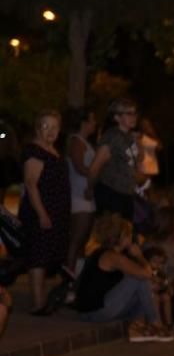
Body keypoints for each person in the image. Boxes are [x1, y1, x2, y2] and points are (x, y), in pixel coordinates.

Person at [74, 214, 172, 343]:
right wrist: (140, 256)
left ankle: (138, 329)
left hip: (95, 310)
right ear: (120, 237)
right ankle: (155, 324)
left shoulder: (108, 254)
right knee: (138, 278)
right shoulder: (112, 256)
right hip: (94, 312)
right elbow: (145, 274)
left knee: (144, 286)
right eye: (129, 234)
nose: (131, 237)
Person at [19, 110, 71, 315]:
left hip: (56, 211)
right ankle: (38, 304)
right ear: (37, 128)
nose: (50, 131)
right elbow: (31, 185)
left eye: (54, 127)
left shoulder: (53, 150)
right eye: (45, 126)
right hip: (40, 211)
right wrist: (42, 214)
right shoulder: (34, 151)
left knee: (48, 255)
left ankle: (45, 301)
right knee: (38, 258)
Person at [87, 99, 143, 219]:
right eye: (128, 113)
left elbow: (138, 160)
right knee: (112, 234)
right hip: (112, 194)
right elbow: (95, 167)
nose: (134, 117)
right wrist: (90, 188)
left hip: (126, 194)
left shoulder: (129, 136)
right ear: (117, 117)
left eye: (135, 113)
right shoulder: (112, 136)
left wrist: (138, 142)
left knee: (125, 234)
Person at [65, 108, 97, 276]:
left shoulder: (85, 142)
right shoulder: (76, 142)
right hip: (79, 196)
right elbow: (79, 167)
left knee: (82, 241)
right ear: (84, 122)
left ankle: (77, 278)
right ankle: (69, 279)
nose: (95, 123)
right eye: (92, 120)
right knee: (75, 241)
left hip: (87, 195)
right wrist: (95, 173)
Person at [143, 246, 174, 333]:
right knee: (155, 298)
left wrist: (167, 287)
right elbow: (148, 285)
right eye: (154, 261)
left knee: (166, 297)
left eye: (160, 263)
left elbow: (165, 282)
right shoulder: (144, 270)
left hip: (158, 292)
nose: (157, 265)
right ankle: (158, 324)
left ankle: (168, 323)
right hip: (148, 295)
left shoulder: (160, 272)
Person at [137, 118, 161, 185]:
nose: (146, 126)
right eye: (144, 124)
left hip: (150, 165)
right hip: (142, 165)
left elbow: (159, 147)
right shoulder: (138, 136)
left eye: (147, 124)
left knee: (149, 185)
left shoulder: (151, 136)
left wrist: (152, 134)